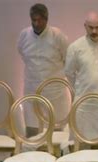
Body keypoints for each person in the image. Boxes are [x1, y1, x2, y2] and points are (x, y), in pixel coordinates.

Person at [65, 11, 98, 141]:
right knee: (81, 141)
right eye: (91, 27)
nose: (94, 31)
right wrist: (79, 88)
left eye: (97, 27)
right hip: (84, 101)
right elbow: (69, 73)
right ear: (85, 26)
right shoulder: (75, 47)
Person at [17, 3, 69, 135]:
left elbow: (67, 58)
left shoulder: (57, 36)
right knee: (33, 128)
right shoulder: (24, 35)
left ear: (46, 19)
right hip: (32, 88)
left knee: (56, 130)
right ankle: (34, 153)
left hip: (55, 91)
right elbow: (22, 54)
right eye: (34, 20)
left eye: (40, 20)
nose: (36, 23)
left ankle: (56, 154)